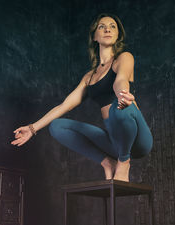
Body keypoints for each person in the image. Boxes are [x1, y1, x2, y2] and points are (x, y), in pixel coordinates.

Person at [11, 13, 153, 182]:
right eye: (102, 26)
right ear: (95, 36)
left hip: (137, 138)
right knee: (57, 126)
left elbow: (121, 80)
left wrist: (123, 94)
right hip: (114, 141)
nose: (108, 29)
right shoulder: (89, 77)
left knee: (119, 107)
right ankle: (108, 162)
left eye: (112, 26)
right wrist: (32, 128)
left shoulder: (124, 58)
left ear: (118, 35)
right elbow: (64, 106)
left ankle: (124, 162)